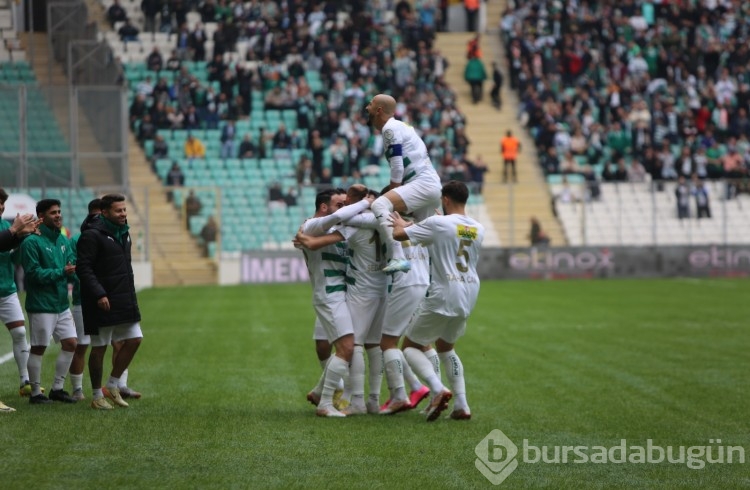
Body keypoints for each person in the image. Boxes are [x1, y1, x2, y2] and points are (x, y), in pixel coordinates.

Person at [390, 181, 485, 421]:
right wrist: (425, 224)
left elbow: (399, 234)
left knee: (410, 346)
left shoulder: (437, 223)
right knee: (446, 347)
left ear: (445, 200)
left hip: (445, 290)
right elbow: (446, 236)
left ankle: (437, 388)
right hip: (470, 291)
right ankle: (462, 405)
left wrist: (402, 223)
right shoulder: (478, 228)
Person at [296, 186, 385, 416]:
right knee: (346, 348)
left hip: (342, 295)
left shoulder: (340, 228)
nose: (345, 209)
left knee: (344, 346)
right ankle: (326, 404)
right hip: (329, 296)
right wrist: (366, 202)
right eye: (340, 204)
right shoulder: (310, 226)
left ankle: (320, 393)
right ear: (324, 207)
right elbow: (335, 220)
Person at [77, 194, 144, 410]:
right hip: (101, 301)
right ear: (105, 212)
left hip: (123, 298)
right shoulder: (91, 236)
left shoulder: (124, 233)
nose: (123, 214)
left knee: (135, 339)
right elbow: (84, 268)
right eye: (118, 210)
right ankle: (97, 396)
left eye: (124, 210)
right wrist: (99, 294)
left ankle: (113, 385)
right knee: (99, 348)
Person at [366, 94, 442, 274]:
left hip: (421, 184)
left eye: (370, 104)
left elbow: (398, 167)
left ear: (379, 110)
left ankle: (398, 257)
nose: (366, 108)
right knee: (425, 239)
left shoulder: (389, 129)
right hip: (430, 185)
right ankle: (434, 276)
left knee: (380, 204)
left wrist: (392, 196)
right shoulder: (401, 126)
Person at [19, 199, 79, 405]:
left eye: (59, 211)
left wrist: (75, 275)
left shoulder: (63, 241)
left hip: (61, 303)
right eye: (54, 212)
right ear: (42, 217)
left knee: (71, 343)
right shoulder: (31, 242)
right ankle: (35, 393)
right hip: (41, 304)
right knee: (39, 347)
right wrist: (61, 272)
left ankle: (57, 389)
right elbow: (33, 274)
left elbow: (71, 264)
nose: (58, 215)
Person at [0, 190, 33, 411]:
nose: (1, 207)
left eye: (2, 203)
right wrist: (15, 230)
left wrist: (24, 240)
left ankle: (25, 381)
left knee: (20, 332)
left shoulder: (4, 225)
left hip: (6, 289)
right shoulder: (7, 227)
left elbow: (12, 257)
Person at [68, 198, 103, 401]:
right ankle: (77, 389)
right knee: (81, 344)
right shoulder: (77, 240)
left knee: (117, 342)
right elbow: (74, 269)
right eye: (96, 215)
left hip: (108, 299)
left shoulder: (110, 238)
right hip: (84, 300)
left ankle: (118, 385)